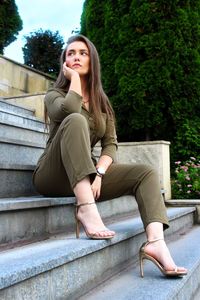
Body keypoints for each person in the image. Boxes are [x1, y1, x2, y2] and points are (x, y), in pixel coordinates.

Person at [33, 34, 187, 277]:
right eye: (70, 53)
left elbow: (110, 145)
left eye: (82, 53)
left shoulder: (102, 104)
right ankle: (85, 208)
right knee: (74, 119)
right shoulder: (54, 94)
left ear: (92, 61)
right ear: (64, 62)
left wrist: (101, 173)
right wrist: (73, 79)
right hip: (52, 174)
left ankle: (156, 243)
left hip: (86, 174)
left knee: (145, 173)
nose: (76, 57)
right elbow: (69, 111)